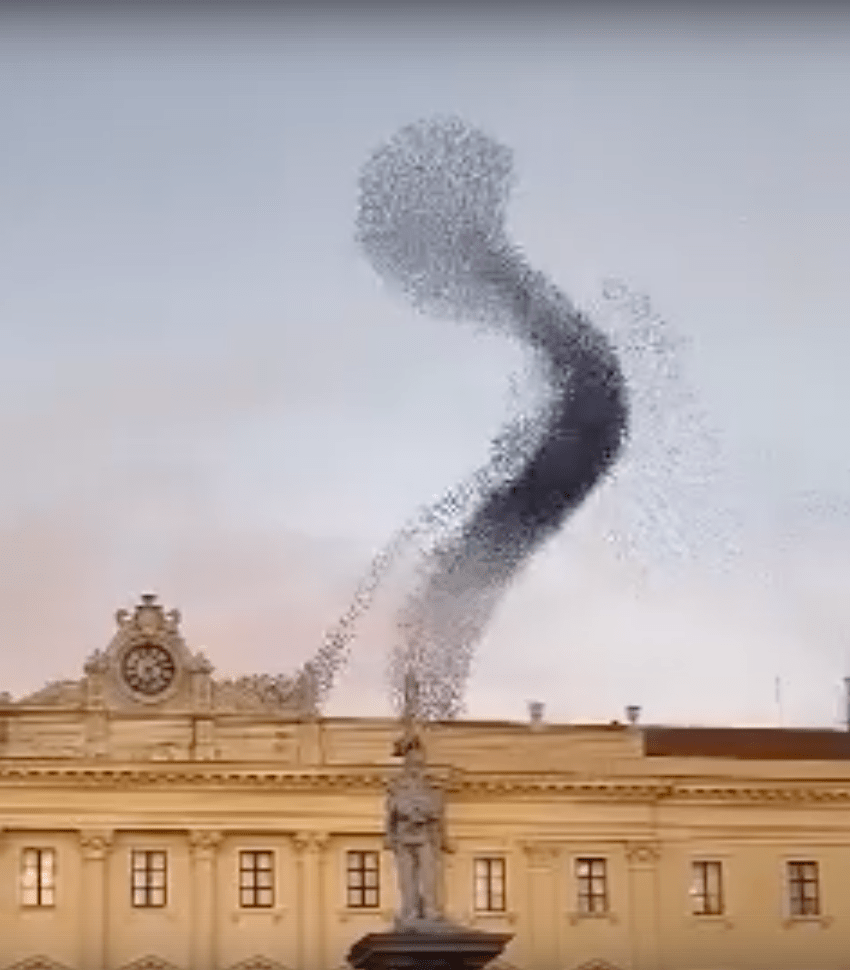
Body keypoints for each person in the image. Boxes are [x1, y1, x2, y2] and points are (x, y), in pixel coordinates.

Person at [384, 728, 450, 927]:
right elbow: (391, 812)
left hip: (425, 836)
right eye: (412, 764)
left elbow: (437, 812)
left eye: (419, 764)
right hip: (403, 836)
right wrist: (389, 834)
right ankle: (410, 910)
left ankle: (430, 909)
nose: (416, 768)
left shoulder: (432, 787)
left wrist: (424, 815)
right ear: (406, 765)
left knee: (429, 874)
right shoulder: (396, 787)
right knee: (407, 877)